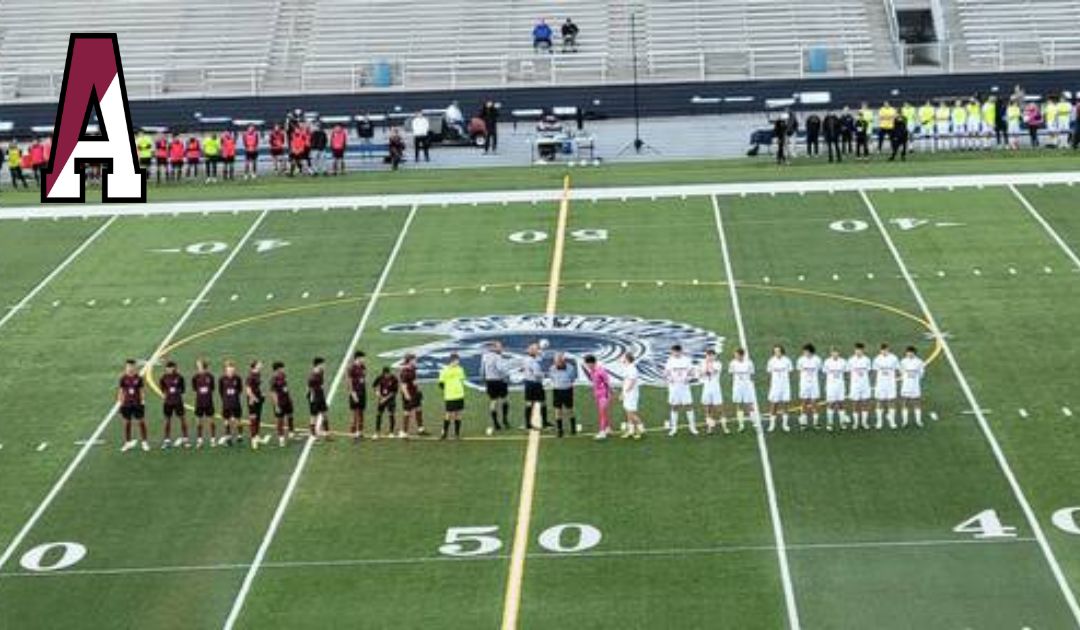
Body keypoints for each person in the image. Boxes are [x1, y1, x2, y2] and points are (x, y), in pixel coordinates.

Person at [664, 344, 697, 436]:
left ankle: (692, 427)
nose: (674, 353)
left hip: (684, 387)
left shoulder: (686, 360)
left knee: (688, 406)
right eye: (673, 352)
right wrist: (669, 379)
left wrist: (689, 378)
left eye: (676, 351)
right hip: (674, 387)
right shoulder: (670, 361)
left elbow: (692, 371)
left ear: (680, 351)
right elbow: (665, 373)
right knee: (674, 407)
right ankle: (674, 428)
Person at [117, 359, 149, 452]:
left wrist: (143, 401)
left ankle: (144, 442)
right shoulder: (123, 378)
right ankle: (127, 442)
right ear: (126, 367)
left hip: (137, 403)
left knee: (141, 422)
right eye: (128, 366)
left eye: (131, 366)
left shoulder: (138, 378)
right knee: (127, 423)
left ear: (134, 367)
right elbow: (121, 391)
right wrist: (120, 402)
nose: (130, 368)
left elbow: (141, 391)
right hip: (127, 403)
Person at [481, 341, 510, 432]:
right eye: (500, 347)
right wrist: (507, 375)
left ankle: (496, 423)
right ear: (494, 348)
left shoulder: (485, 356)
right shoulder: (498, 357)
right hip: (499, 380)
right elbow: (500, 369)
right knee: (504, 400)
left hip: (489, 381)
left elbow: (482, 369)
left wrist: (484, 379)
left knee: (493, 401)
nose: (501, 348)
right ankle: (505, 420)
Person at [159, 360, 188, 449]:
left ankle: (185, 439)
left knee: (182, 419)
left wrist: (177, 396)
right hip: (168, 402)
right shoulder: (163, 378)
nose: (169, 369)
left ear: (174, 368)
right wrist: (167, 396)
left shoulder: (180, 377)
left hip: (178, 402)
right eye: (168, 368)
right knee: (167, 421)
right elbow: (162, 389)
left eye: (171, 368)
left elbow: (183, 390)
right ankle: (167, 441)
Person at [582, 354, 612, 440]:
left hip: (604, 395)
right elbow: (592, 380)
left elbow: (607, 383)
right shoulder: (592, 371)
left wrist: (609, 393)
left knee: (602, 413)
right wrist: (585, 370)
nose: (587, 366)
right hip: (598, 395)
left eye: (587, 364)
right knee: (604, 413)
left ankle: (602, 432)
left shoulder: (601, 371)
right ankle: (608, 428)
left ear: (592, 363)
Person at [438, 353, 467, 440]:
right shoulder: (444, 370)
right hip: (450, 396)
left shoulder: (460, 369)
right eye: (457, 361)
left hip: (459, 395)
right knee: (448, 414)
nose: (458, 362)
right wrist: (448, 389)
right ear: (452, 360)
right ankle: (444, 434)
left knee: (458, 414)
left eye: (458, 361)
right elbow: (441, 384)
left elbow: (462, 380)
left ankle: (457, 434)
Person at [872, 343, 900, 430]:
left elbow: (898, 369)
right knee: (879, 402)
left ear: (888, 349)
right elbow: (874, 371)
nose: (884, 351)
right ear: (880, 350)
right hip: (880, 384)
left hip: (890, 384)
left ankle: (892, 421)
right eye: (883, 350)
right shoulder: (877, 359)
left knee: (891, 401)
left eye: (886, 350)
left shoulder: (894, 358)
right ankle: (879, 422)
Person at [549, 352, 577, 437]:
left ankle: (573, 428)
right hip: (557, 390)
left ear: (564, 360)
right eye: (557, 361)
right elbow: (552, 378)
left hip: (567, 390)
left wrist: (566, 384)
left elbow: (572, 378)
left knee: (570, 409)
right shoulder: (552, 368)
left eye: (560, 361)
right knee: (558, 410)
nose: (558, 363)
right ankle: (560, 430)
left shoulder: (570, 368)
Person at [766, 345, 793, 432]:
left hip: (785, 386)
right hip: (775, 386)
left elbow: (790, 372)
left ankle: (785, 425)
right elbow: (770, 373)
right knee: (774, 405)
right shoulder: (771, 361)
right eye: (775, 351)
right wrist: (772, 384)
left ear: (782, 351)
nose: (777, 353)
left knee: (785, 405)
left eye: (778, 351)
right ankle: (772, 424)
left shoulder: (787, 361)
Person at [698, 348, 725, 434]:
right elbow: (700, 374)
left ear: (715, 356)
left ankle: (724, 426)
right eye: (708, 356)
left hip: (716, 388)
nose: (710, 357)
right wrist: (705, 368)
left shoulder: (718, 364)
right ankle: (710, 427)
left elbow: (711, 372)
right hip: (706, 388)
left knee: (719, 408)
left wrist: (706, 368)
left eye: (712, 356)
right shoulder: (702, 364)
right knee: (708, 408)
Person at [521, 343, 547, 430]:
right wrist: (544, 376)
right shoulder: (532, 361)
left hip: (528, 383)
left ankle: (528, 423)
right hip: (535, 383)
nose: (537, 351)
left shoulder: (527, 359)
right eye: (535, 349)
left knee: (529, 403)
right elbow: (537, 374)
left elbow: (541, 356)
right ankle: (544, 422)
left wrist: (541, 349)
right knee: (541, 402)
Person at [399, 353, 426, 437]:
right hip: (409, 394)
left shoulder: (413, 368)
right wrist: (407, 396)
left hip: (415, 393)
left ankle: (420, 429)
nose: (416, 361)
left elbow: (414, 381)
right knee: (407, 412)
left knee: (418, 409)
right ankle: (404, 432)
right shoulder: (404, 372)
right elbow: (403, 386)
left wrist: (418, 391)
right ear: (410, 361)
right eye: (414, 360)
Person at [796, 343, 822, 429]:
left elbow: (819, 370)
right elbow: (799, 370)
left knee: (815, 402)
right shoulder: (800, 360)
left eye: (806, 351)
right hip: (804, 384)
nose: (804, 353)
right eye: (804, 351)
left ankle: (816, 422)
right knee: (804, 402)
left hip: (814, 384)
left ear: (810, 352)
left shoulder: (817, 360)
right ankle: (803, 422)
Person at [729, 348, 756, 430]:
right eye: (735, 355)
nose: (735, 356)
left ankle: (754, 422)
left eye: (737, 355)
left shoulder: (749, 363)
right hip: (737, 385)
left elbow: (752, 374)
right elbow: (731, 374)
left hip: (747, 385)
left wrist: (750, 384)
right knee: (738, 404)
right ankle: (741, 424)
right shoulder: (732, 363)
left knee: (749, 404)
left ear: (741, 355)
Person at [192, 358, 216, 448]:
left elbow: (212, 388)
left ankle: (213, 439)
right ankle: (199, 440)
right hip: (199, 402)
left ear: (203, 366)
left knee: (211, 421)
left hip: (209, 402)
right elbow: (195, 389)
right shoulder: (195, 377)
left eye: (199, 365)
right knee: (199, 422)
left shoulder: (210, 377)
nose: (197, 367)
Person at [219, 360, 244, 446]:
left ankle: (240, 435)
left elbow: (240, 389)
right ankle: (228, 437)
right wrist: (225, 398)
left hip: (236, 402)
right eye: (229, 370)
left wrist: (234, 396)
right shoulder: (222, 379)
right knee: (226, 420)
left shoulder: (238, 378)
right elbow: (221, 391)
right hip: (226, 403)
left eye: (232, 370)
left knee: (238, 419)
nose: (231, 372)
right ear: (225, 370)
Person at [848, 343, 872, 430]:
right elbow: (848, 371)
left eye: (860, 350)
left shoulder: (867, 360)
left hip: (865, 385)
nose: (858, 352)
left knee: (865, 403)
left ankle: (864, 423)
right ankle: (856, 423)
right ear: (855, 350)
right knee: (855, 404)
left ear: (863, 350)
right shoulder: (851, 360)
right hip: (854, 386)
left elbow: (869, 371)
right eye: (856, 350)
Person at [270, 361, 295, 447]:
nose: (283, 369)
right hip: (280, 402)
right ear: (278, 369)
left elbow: (286, 388)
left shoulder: (283, 376)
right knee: (280, 420)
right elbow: (273, 393)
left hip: (287, 400)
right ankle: (281, 438)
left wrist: (290, 398)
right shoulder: (273, 379)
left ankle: (291, 432)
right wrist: (276, 405)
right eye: (282, 368)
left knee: (290, 415)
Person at [899, 346, 925, 427]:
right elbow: (901, 372)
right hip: (905, 385)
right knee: (904, 402)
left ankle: (918, 421)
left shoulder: (919, 362)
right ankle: (905, 421)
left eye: (911, 352)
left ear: (914, 353)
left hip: (915, 385)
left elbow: (921, 374)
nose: (909, 354)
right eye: (908, 352)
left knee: (917, 402)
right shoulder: (903, 361)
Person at [822, 348, 848, 430]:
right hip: (830, 386)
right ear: (831, 353)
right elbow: (825, 372)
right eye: (833, 352)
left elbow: (846, 372)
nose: (835, 354)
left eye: (836, 352)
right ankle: (830, 423)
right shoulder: (827, 362)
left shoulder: (843, 361)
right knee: (831, 404)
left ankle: (842, 423)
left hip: (840, 386)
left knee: (841, 404)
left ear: (839, 353)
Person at [619, 353, 644, 439]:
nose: (622, 359)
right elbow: (625, 381)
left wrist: (625, 393)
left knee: (632, 413)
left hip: (632, 394)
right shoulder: (627, 368)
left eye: (623, 358)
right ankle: (631, 430)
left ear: (627, 359)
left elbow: (632, 383)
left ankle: (640, 429)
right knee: (627, 412)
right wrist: (622, 393)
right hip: (627, 393)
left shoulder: (632, 369)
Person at [372, 366, 399, 439]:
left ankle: (391, 432)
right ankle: (377, 432)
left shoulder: (394, 378)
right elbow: (374, 386)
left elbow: (394, 392)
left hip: (390, 399)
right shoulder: (380, 377)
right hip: (381, 398)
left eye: (389, 374)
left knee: (391, 414)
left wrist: (385, 398)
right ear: (384, 374)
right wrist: (377, 393)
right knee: (379, 414)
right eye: (386, 374)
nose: (388, 375)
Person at [308, 357, 329, 440]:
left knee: (325, 413)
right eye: (323, 364)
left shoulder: (321, 372)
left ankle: (326, 432)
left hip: (320, 394)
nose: (324, 365)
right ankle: (313, 434)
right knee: (313, 415)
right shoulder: (313, 375)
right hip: (314, 396)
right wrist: (312, 398)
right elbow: (310, 387)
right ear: (319, 364)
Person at [347, 351, 367, 441]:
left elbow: (363, 376)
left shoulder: (362, 366)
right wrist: (353, 393)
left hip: (362, 392)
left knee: (361, 413)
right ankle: (354, 433)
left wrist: (363, 381)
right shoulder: (351, 368)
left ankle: (360, 432)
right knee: (355, 413)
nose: (364, 360)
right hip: (355, 393)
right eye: (363, 358)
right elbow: (349, 382)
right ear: (358, 358)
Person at [246, 360, 265, 449]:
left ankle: (257, 436)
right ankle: (253, 439)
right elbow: (248, 390)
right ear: (255, 366)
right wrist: (254, 398)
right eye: (259, 364)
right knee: (253, 419)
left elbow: (258, 386)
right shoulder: (250, 376)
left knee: (258, 417)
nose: (261, 365)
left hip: (258, 398)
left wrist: (261, 394)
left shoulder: (258, 374)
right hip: (253, 400)